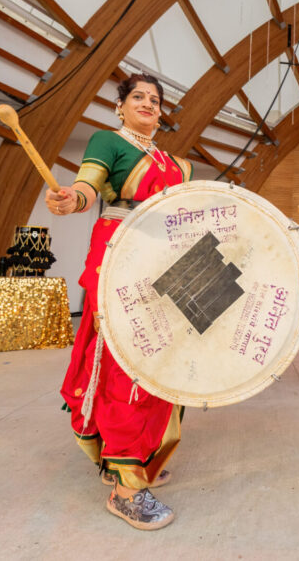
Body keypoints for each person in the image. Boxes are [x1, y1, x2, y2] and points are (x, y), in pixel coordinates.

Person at [46, 73, 192, 531]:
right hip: (122, 256)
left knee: (164, 362)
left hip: (169, 261)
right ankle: (126, 487)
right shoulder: (108, 141)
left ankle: (140, 457)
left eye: (155, 99)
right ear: (120, 106)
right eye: (138, 97)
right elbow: (89, 187)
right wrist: (72, 199)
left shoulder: (176, 163)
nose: (148, 103)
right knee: (124, 366)